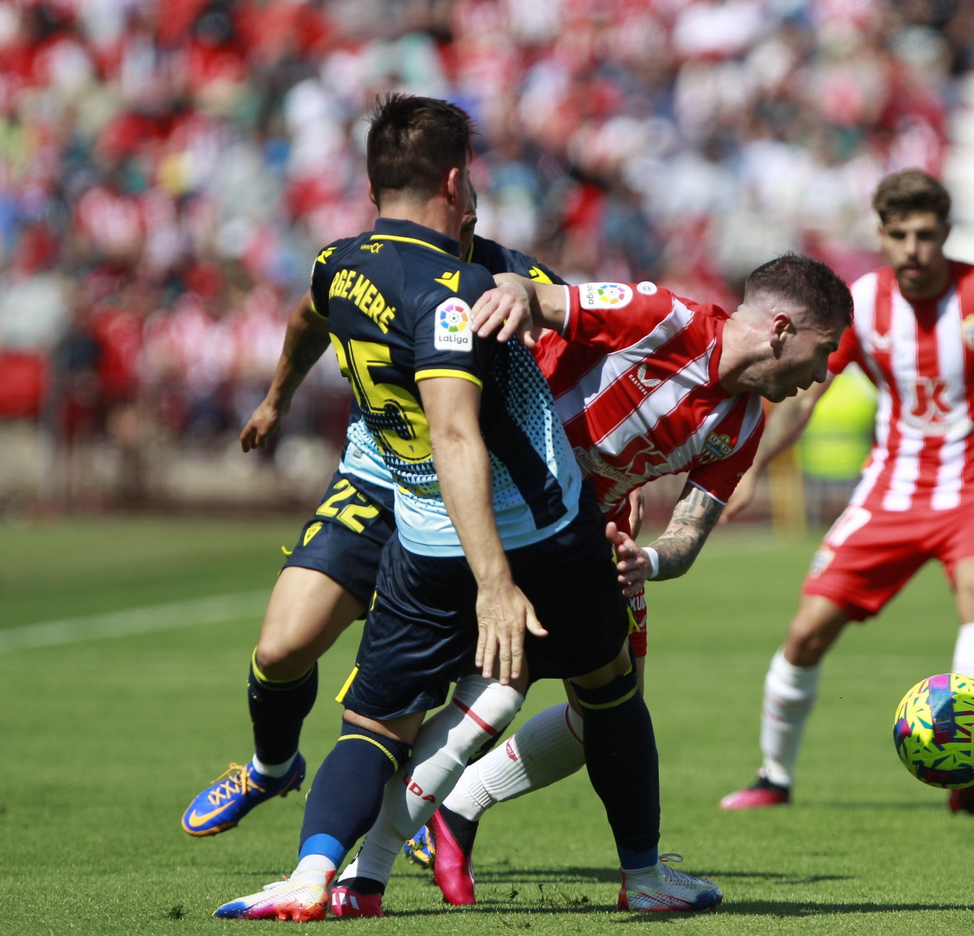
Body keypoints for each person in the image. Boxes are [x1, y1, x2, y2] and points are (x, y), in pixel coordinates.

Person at [213, 94, 717, 919]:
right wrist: (495, 580)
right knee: (609, 688)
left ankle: (316, 879)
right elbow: (457, 435)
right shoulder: (458, 292)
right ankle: (645, 878)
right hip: (539, 534)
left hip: (421, 538)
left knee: (373, 723)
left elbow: (310, 313)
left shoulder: (338, 264)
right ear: (455, 181)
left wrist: (275, 400)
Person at [338, 253, 853, 907]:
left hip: (592, 538)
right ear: (781, 331)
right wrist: (494, 334)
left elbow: (689, 534)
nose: (824, 371)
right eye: (825, 348)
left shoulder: (742, 424)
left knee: (608, 713)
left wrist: (653, 560)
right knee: (497, 692)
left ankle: (450, 812)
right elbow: (525, 292)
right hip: (502, 504)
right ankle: (362, 863)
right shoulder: (663, 319)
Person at [181, 166, 565, 845]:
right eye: (464, 187)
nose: (470, 202)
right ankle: (271, 767)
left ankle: (409, 808)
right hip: (373, 478)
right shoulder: (359, 263)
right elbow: (308, 315)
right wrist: (278, 398)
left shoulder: (511, 278)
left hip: (462, 504)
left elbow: (572, 381)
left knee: (422, 697)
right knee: (279, 649)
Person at [718, 169, 974, 816]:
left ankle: (966, 756)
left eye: (926, 235)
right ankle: (773, 776)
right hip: (891, 491)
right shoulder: (862, 304)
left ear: (945, 234)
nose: (913, 249)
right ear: (881, 236)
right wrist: (751, 467)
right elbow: (805, 398)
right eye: (899, 235)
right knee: (805, 633)